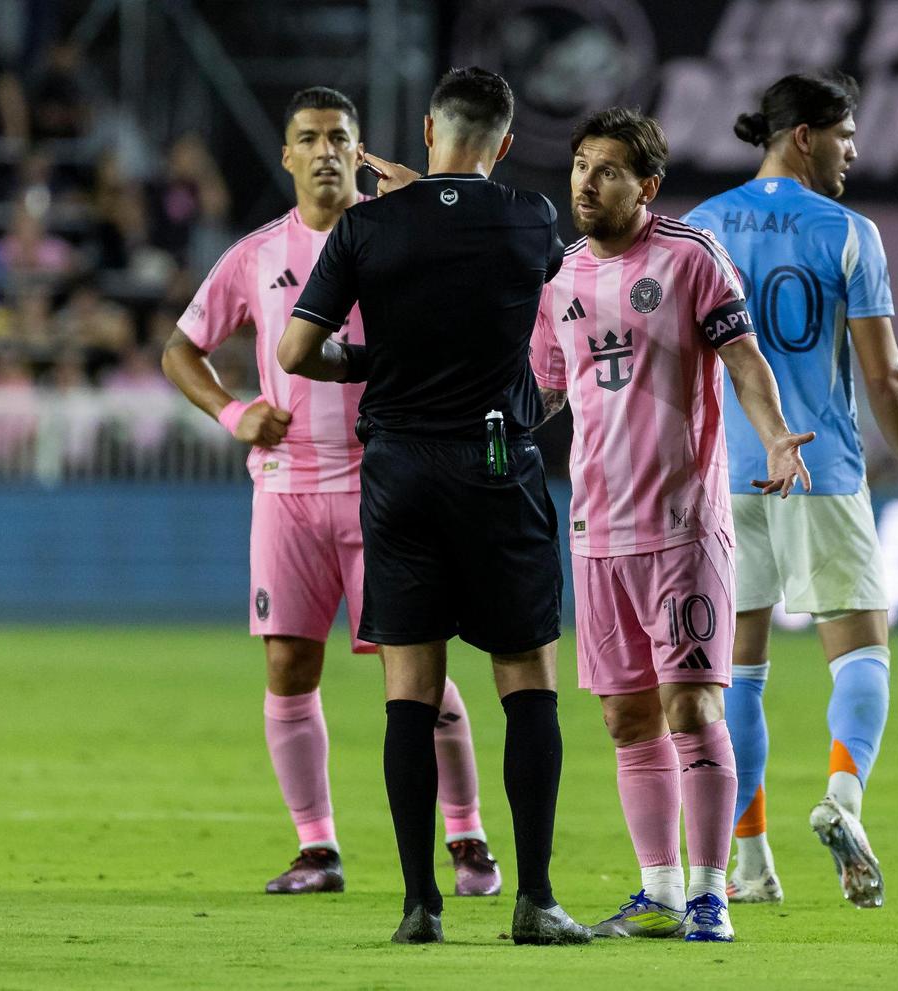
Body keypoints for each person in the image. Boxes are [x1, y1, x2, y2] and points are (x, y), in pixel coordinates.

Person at [277, 67, 590, 946]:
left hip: (400, 467)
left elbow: (299, 350)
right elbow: (561, 308)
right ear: (504, 140)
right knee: (527, 682)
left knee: (409, 691)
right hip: (499, 464)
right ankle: (535, 900)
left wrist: (376, 365)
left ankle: (420, 904)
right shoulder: (531, 220)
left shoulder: (367, 226)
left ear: (425, 130)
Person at [162, 86, 500, 899]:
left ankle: (468, 836)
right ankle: (318, 849)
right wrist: (234, 410)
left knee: (415, 662)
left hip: (383, 478)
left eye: (338, 136)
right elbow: (181, 347)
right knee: (288, 662)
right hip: (285, 488)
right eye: (307, 137)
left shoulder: (398, 237)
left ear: (359, 150)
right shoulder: (254, 254)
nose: (323, 150)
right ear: (285, 155)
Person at [532, 107, 813, 943]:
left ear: (646, 186)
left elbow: (743, 358)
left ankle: (710, 892)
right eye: (581, 165)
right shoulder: (563, 279)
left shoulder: (691, 257)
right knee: (626, 717)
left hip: (684, 526)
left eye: (608, 169)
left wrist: (773, 435)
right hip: (594, 528)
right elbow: (545, 390)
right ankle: (656, 891)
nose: (587, 181)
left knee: (690, 706)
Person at [682, 71, 898, 910]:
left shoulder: (698, 228)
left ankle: (750, 862)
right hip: (823, 472)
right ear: (804, 136)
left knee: (741, 675)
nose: (854, 151)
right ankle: (842, 796)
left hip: (726, 477)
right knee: (862, 652)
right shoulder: (848, 232)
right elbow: (886, 372)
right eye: (845, 134)